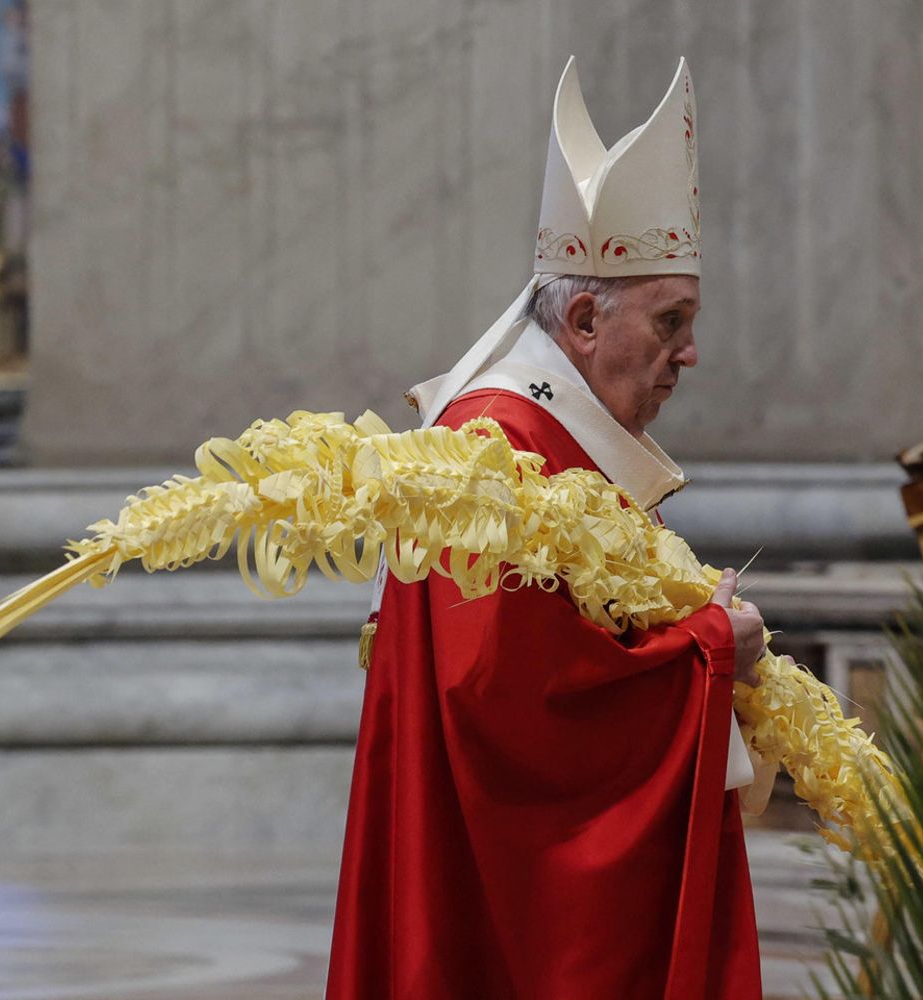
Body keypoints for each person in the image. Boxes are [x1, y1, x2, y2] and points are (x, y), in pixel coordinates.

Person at [327, 58, 768, 998]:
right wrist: (709, 650)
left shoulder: (557, 435)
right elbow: (503, 707)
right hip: (508, 920)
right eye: (670, 321)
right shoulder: (494, 451)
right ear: (579, 318)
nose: (688, 353)